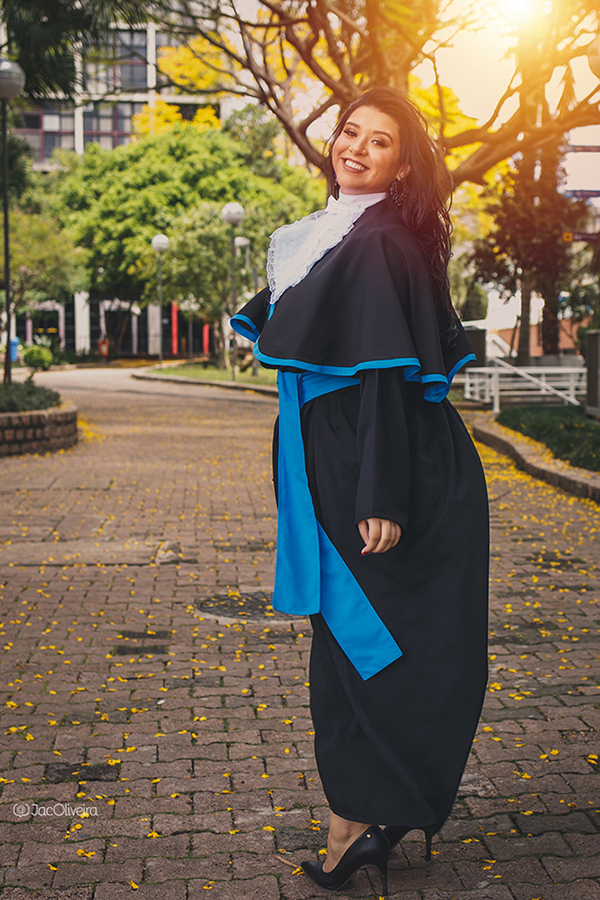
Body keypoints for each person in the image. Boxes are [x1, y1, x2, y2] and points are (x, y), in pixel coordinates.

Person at [231, 86, 489, 896]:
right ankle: (356, 820)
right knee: (341, 647)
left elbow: (384, 378)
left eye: (379, 142)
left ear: (401, 164)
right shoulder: (329, 235)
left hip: (376, 464)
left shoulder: (378, 244)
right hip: (336, 456)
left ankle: (366, 819)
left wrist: (382, 495)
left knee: (365, 646)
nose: (355, 147)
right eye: (349, 132)